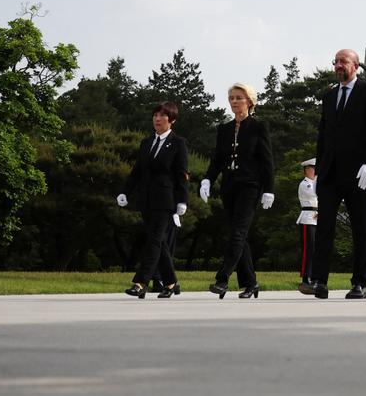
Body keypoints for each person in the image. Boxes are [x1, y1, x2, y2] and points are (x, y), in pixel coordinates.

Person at [311, 49, 366, 299]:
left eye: (343, 61)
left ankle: (359, 283)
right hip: (330, 173)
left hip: (358, 173)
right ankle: (319, 281)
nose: (338, 66)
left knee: (359, 228)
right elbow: (323, 136)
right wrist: (318, 172)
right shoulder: (329, 96)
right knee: (324, 228)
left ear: (355, 66)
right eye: (335, 62)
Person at [201, 83, 275, 300]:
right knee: (237, 234)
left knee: (238, 233)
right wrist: (207, 179)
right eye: (231, 98)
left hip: (250, 186)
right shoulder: (223, 129)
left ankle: (222, 279)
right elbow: (217, 160)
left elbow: (267, 161)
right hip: (229, 186)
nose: (234, 101)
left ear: (249, 102)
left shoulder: (259, 127)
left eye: (239, 98)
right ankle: (250, 282)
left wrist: (269, 189)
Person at [117, 101, 189, 299]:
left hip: (166, 201)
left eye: (162, 115)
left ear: (171, 120)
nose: (157, 119)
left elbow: (182, 174)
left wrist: (182, 200)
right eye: (155, 115)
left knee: (155, 240)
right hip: (146, 200)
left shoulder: (178, 143)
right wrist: (126, 191)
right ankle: (172, 282)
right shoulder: (146, 142)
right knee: (159, 243)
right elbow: (137, 171)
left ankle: (140, 283)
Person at [297, 158, 318, 293]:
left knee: (317, 249)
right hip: (308, 218)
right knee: (308, 250)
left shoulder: (316, 183)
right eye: (314, 168)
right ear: (307, 169)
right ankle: (305, 277)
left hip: (317, 218)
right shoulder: (305, 184)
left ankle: (315, 277)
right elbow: (316, 195)